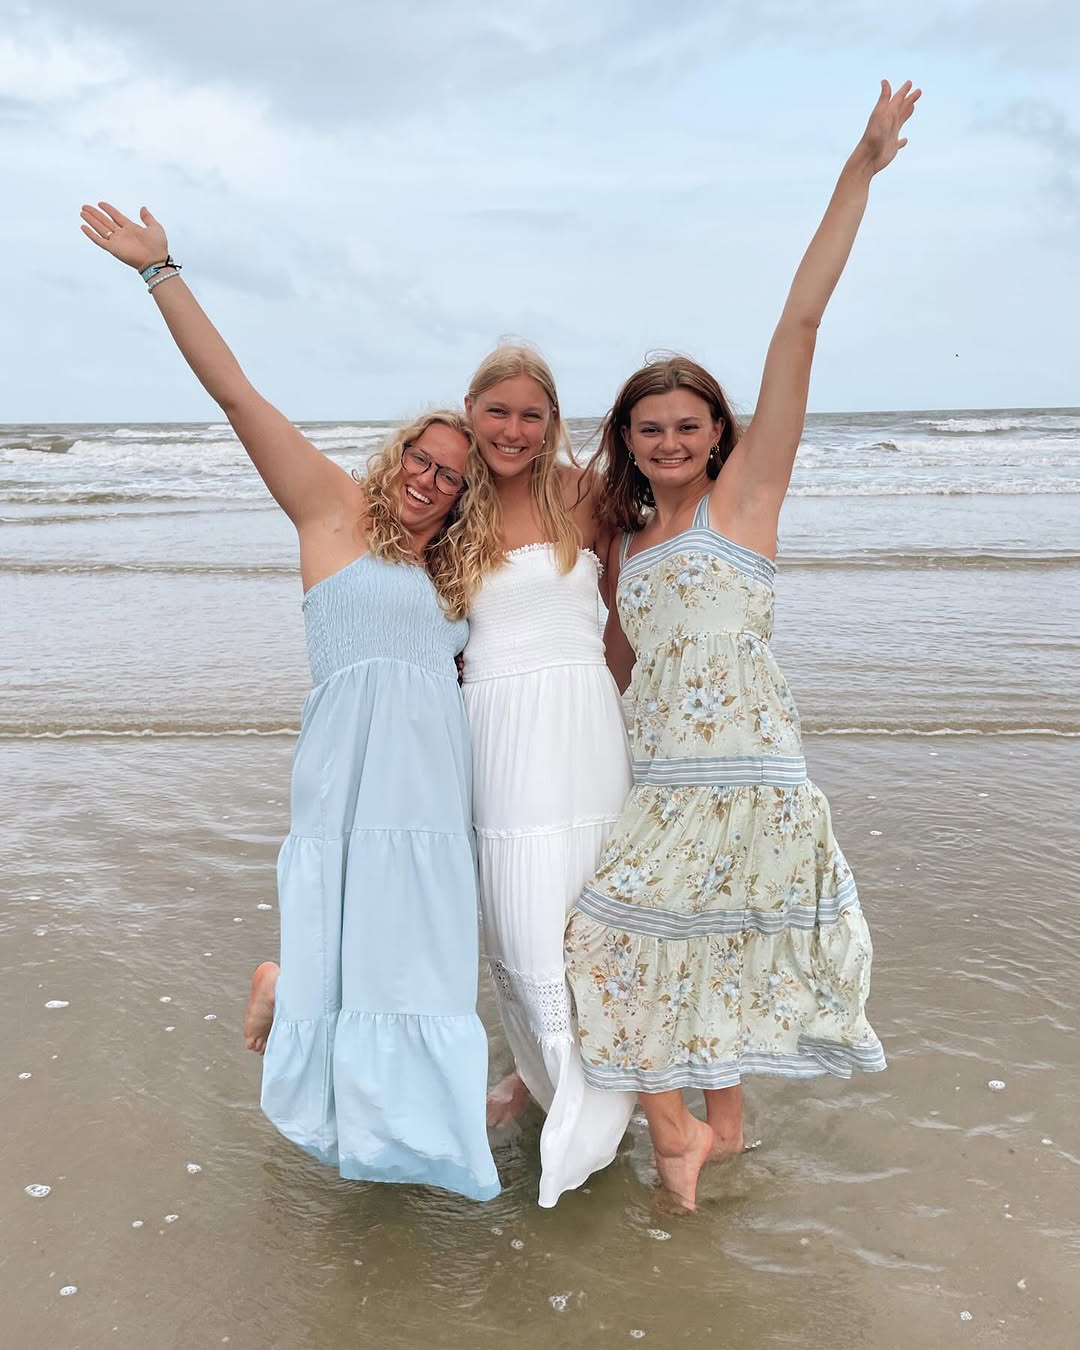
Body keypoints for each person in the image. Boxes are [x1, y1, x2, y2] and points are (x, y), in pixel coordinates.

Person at [79, 201, 500, 1202]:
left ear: (464, 494)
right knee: (347, 920)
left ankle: (398, 1125)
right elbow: (237, 395)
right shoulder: (332, 512)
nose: (429, 480)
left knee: (418, 954)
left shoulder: (456, 574)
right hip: (350, 766)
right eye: (421, 459)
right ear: (398, 455)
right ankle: (299, 1000)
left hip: (431, 787)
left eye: (451, 476)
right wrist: (160, 271)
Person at [564, 79, 920, 1211]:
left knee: (609, 941)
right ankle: (718, 1130)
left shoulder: (748, 499)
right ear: (628, 440)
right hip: (659, 775)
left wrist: (860, 168)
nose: (670, 441)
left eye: (688, 425)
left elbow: (797, 323)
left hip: (749, 774)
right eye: (650, 428)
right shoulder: (626, 540)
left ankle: (680, 1135)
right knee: (673, 944)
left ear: (720, 431)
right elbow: (619, 667)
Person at [459, 345, 637, 1207]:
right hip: (493, 724)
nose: (514, 429)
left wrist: (598, 691)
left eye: (532, 414)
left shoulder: (585, 494)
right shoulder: (450, 500)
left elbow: (625, 613)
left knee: (585, 906)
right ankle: (543, 1073)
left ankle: (588, 1085)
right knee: (520, 910)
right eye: (498, 411)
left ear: (553, 420)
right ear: (470, 410)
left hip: (582, 718)